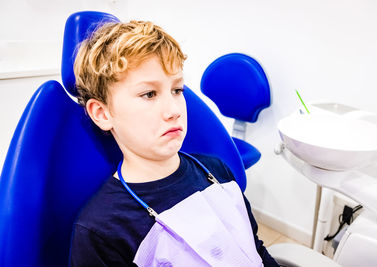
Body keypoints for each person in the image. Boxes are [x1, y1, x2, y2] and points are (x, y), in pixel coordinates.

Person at [69, 19, 279, 267]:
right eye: (149, 94)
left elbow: (255, 250)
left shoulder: (216, 170)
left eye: (177, 90)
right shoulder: (102, 230)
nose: (174, 110)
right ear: (103, 114)